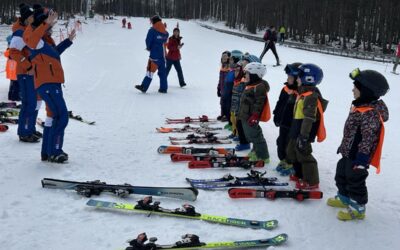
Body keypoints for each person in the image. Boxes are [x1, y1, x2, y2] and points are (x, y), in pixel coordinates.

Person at [327, 69, 389, 221]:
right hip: (348, 152)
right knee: (341, 174)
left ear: (366, 91)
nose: (353, 89)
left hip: (359, 157)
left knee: (356, 181)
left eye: (356, 87)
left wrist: (362, 160)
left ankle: (358, 208)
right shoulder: (359, 107)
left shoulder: (370, 113)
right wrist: (344, 147)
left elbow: (367, 138)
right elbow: (352, 132)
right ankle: (344, 198)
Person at [24, 6, 75, 163]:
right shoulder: (36, 39)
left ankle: (47, 152)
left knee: (52, 116)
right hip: (49, 83)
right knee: (62, 116)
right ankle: (55, 151)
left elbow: (54, 53)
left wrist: (68, 41)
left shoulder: (44, 42)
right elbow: (31, 41)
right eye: (50, 25)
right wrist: (46, 23)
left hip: (51, 83)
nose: (52, 27)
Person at [286, 64, 327, 190]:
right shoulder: (303, 92)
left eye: (299, 77)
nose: (297, 79)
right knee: (291, 151)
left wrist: (304, 136)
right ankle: (299, 174)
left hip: (305, 130)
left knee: (304, 154)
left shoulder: (311, 96)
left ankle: (311, 181)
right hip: (297, 127)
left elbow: (309, 118)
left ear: (308, 79)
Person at [9, 3, 43, 143]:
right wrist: (28, 66)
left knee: (33, 102)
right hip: (24, 73)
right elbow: (13, 52)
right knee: (28, 102)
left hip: (31, 72)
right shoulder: (20, 32)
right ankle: (24, 132)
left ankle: (30, 128)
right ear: (25, 18)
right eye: (30, 16)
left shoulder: (28, 29)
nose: (32, 18)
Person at [237, 62, 271, 162]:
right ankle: (256, 151)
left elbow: (259, 103)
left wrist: (255, 115)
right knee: (250, 135)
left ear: (254, 75)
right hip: (245, 115)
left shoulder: (259, 87)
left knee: (256, 135)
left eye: (247, 74)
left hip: (251, 116)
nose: (245, 76)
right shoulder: (250, 85)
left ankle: (264, 156)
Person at [273, 63, 301, 175]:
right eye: (288, 77)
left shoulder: (300, 93)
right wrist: (276, 114)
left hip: (292, 125)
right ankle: (283, 160)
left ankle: (291, 163)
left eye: (290, 77)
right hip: (283, 122)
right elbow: (280, 103)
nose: (288, 79)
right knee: (281, 142)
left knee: (290, 145)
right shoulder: (285, 89)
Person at [135, 15, 169, 93]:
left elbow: (148, 41)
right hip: (162, 56)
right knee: (162, 73)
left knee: (150, 71)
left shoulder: (152, 30)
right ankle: (163, 88)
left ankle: (144, 86)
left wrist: (149, 47)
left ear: (153, 21)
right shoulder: (165, 33)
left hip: (154, 56)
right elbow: (165, 39)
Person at [222, 50, 242, 131]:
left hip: (231, 94)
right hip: (226, 93)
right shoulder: (230, 70)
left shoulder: (235, 72)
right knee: (225, 107)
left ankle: (232, 124)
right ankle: (230, 122)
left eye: (231, 60)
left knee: (229, 109)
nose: (229, 61)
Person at [217, 51, 231, 121]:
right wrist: (218, 88)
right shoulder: (222, 68)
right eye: (223, 56)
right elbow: (220, 80)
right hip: (222, 89)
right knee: (222, 103)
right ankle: (223, 114)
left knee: (227, 103)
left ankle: (227, 116)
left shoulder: (230, 69)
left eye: (225, 56)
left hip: (228, 90)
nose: (223, 58)